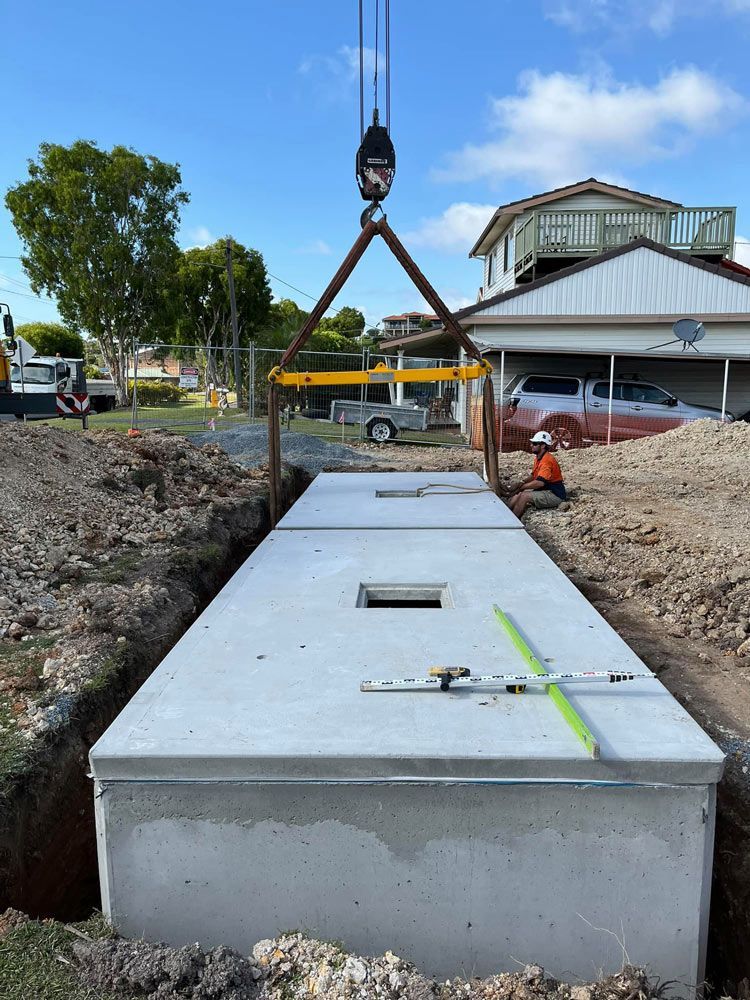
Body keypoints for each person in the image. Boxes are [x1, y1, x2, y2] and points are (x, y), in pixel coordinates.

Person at [507, 431, 567, 518]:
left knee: (524, 496)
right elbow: (534, 476)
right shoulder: (539, 457)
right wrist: (522, 482)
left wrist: (521, 487)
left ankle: (512, 521)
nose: (531, 445)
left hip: (555, 495)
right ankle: (504, 514)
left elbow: (540, 483)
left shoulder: (547, 460)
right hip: (546, 491)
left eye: (535, 443)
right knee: (519, 494)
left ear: (543, 446)